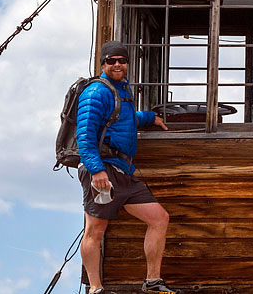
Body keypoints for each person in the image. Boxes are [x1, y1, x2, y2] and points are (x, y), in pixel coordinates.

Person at [76, 40, 182, 294]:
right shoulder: (96, 92)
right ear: (102, 64)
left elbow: (123, 119)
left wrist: (149, 118)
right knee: (95, 230)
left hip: (123, 172)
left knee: (159, 218)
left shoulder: (122, 90)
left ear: (127, 64)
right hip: (104, 170)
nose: (116, 64)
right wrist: (96, 169)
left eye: (121, 60)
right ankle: (95, 289)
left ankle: (153, 283)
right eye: (111, 61)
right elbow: (84, 134)